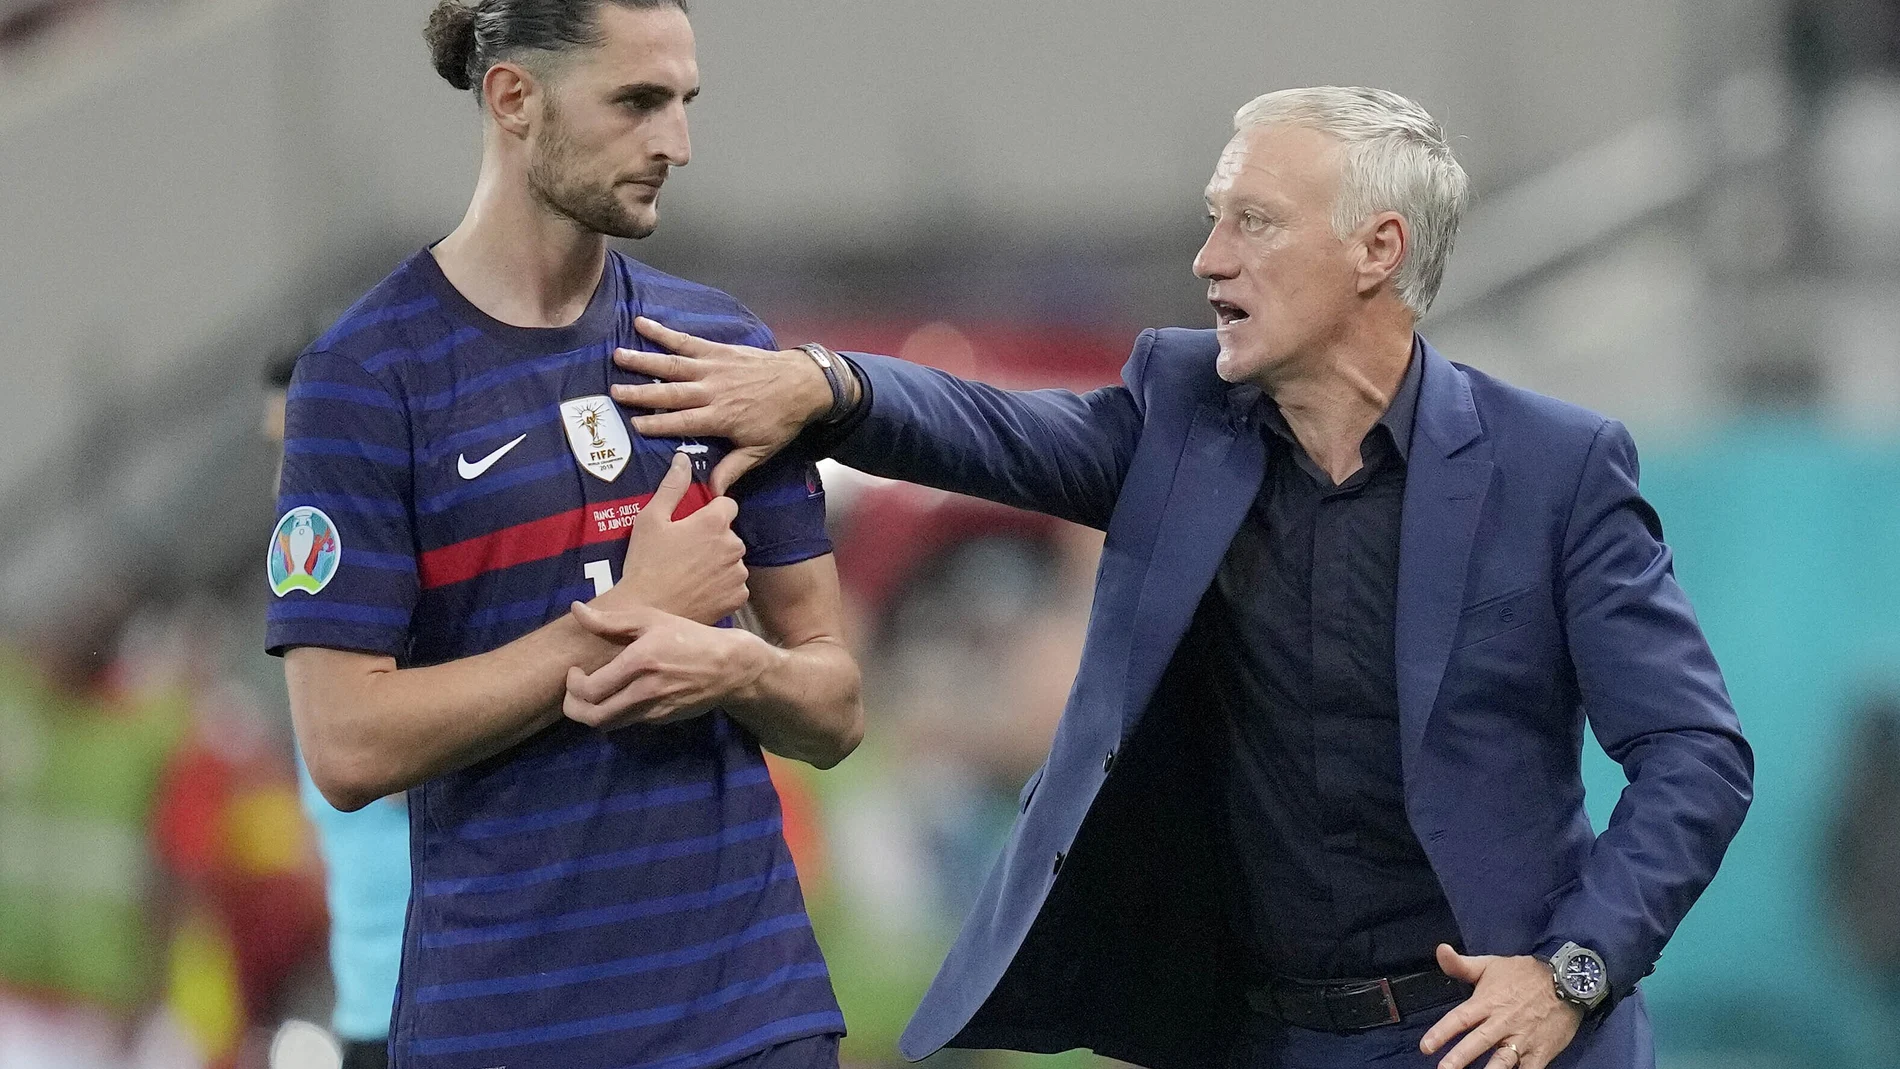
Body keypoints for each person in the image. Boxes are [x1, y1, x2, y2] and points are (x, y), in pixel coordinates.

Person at [586, 87, 1754, 1069]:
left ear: (1377, 251)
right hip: (1257, 1035)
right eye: (1211, 219)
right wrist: (830, 386)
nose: (1208, 259)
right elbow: (993, 428)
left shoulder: (1555, 467)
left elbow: (1695, 754)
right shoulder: (1181, 413)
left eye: (1251, 222)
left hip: (1495, 1038)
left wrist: (1572, 973)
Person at [265, 2, 864, 1068]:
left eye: (682, 103)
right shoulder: (367, 379)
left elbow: (833, 706)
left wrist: (728, 664)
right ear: (513, 99)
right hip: (507, 1030)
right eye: (636, 102)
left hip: (751, 1017)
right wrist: (624, 623)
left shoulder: (718, 350)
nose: (674, 142)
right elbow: (347, 744)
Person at [265, 351, 411, 1069]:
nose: (282, 489)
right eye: (275, 456)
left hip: (461, 1015)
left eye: (301, 457)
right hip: (368, 1017)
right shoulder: (318, 619)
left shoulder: (418, 606)